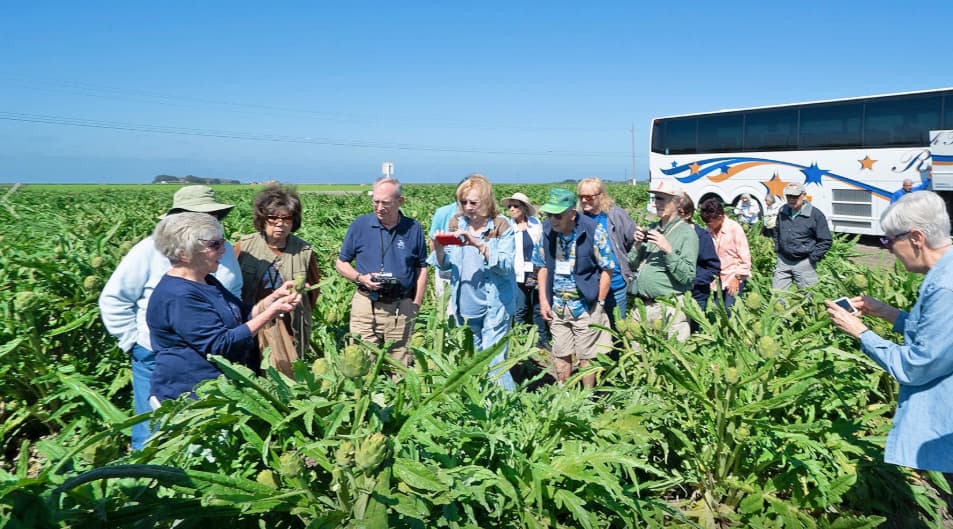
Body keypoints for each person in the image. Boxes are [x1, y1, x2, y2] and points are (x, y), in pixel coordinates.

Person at [99, 185, 242, 450]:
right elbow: (114, 298)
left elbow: (232, 290)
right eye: (201, 215)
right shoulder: (148, 250)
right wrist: (134, 343)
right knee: (153, 430)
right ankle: (147, 486)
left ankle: (203, 486)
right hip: (158, 356)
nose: (211, 222)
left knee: (209, 430)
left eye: (215, 217)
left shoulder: (223, 249)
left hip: (211, 357)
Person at [826, 191, 953, 473]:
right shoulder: (945, 272)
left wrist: (860, 333)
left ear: (917, 238)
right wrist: (886, 312)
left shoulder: (945, 287)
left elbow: (917, 365)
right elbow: (939, 336)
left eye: (890, 239)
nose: (887, 248)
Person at [147, 213, 300, 404]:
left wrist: (271, 300)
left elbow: (241, 314)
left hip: (215, 390)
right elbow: (220, 344)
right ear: (183, 253)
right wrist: (271, 313)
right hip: (191, 396)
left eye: (222, 242)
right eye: (214, 245)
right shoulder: (179, 295)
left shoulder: (206, 280)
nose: (223, 251)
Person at [432, 175, 517, 390]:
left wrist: (477, 244)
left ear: (486, 201)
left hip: (495, 303)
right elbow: (445, 265)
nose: (468, 207)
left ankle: (506, 408)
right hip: (465, 302)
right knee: (472, 358)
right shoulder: (456, 224)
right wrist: (439, 248)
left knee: (494, 359)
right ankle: (480, 404)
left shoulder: (501, 226)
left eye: (473, 202)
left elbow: (506, 265)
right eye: (463, 202)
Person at [335, 177, 428, 368]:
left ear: (400, 201)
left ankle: (399, 394)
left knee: (400, 363)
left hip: (400, 306)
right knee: (361, 362)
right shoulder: (360, 225)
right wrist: (360, 277)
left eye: (385, 203)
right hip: (365, 303)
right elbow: (341, 262)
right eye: (375, 202)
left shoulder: (413, 228)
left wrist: (416, 303)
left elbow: (422, 267)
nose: (379, 207)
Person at [235, 185, 320, 377]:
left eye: (286, 218)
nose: (279, 224)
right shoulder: (244, 247)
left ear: (293, 221)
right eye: (273, 218)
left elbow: (314, 291)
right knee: (250, 369)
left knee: (286, 375)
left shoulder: (304, 251)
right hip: (252, 320)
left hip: (289, 325)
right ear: (262, 219)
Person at [533, 188, 615, 388]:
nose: (553, 220)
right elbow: (542, 267)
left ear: (572, 213)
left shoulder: (594, 230)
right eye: (549, 215)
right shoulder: (545, 232)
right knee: (561, 353)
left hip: (585, 305)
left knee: (587, 356)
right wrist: (543, 300)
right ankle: (565, 394)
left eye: (558, 215)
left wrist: (599, 303)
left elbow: (607, 269)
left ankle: (587, 398)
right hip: (558, 306)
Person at [627, 181, 698, 341]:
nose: (657, 203)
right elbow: (631, 265)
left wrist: (668, 250)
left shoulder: (687, 233)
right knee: (639, 358)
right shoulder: (652, 228)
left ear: (678, 201)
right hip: (643, 306)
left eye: (662, 199)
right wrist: (637, 246)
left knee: (673, 359)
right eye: (655, 199)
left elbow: (687, 276)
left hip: (670, 308)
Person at [576, 177, 637, 329]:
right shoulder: (577, 219)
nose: (584, 200)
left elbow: (632, 240)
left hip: (615, 283)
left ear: (601, 195)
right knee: (591, 330)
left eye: (589, 197)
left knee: (617, 328)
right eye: (581, 197)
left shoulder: (615, 215)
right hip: (589, 286)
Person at [502, 192, 549, 350]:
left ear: (524, 208)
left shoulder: (535, 223)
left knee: (537, 306)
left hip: (535, 271)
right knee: (520, 308)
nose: (512, 209)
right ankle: (519, 341)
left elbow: (542, 245)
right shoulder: (508, 226)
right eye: (510, 206)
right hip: (517, 273)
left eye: (516, 206)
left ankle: (542, 339)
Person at [772, 183, 832, 290]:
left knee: (809, 298)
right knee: (777, 296)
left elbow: (826, 240)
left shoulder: (815, 215)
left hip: (804, 263)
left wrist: (812, 259)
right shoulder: (782, 211)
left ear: (803, 195)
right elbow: (777, 231)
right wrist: (778, 249)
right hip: (783, 261)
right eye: (788, 196)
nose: (791, 199)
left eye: (795, 196)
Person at [700, 198, 751, 311]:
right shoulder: (708, 230)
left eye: (709, 222)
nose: (707, 225)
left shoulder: (734, 229)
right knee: (718, 311)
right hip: (717, 279)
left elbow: (745, 258)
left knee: (730, 311)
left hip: (733, 276)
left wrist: (737, 278)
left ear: (720, 217)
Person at [679, 194, 720, 313]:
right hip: (674, 293)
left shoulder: (701, 236)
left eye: (678, 214)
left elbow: (713, 268)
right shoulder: (669, 235)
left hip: (696, 294)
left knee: (694, 329)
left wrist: (693, 281)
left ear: (688, 214)